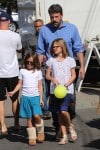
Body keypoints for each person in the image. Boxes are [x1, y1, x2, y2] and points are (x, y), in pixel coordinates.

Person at [36, 4, 85, 138]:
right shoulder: (44, 30)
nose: (54, 19)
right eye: (52, 17)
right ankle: (58, 127)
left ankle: (69, 121)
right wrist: (37, 71)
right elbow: (40, 51)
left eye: (56, 17)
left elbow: (79, 49)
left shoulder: (72, 29)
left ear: (61, 16)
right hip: (52, 72)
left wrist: (82, 67)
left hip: (69, 71)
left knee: (70, 101)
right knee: (54, 101)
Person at [8, 52, 45, 146]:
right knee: (29, 119)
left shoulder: (38, 72)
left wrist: (41, 98)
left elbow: (40, 86)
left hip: (35, 97)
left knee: (36, 115)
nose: (29, 64)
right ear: (25, 61)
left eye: (31, 62)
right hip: (25, 97)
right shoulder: (22, 71)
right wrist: (13, 91)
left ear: (35, 62)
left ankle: (40, 131)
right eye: (27, 62)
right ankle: (32, 137)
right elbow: (20, 84)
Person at [46, 38, 77, 144]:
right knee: (59, 113)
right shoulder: (51, 60)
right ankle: (64, 136)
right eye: (53, 47)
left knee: (64, 111)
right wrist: (52, 79)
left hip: (67, 90)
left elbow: (74, 75)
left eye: (57, 46)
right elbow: (47, 75)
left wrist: (66, 85)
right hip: (55, 91)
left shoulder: (70, 60)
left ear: (62, 47)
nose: (54, 48)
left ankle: (70, 126)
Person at [0, 11, 22, 134]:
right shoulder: (15, 36)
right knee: (14, 98)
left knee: (0, 101)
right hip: (12, 72)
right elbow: (19, 48)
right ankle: (16, 123)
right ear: (9, 21)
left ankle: (3, 126)